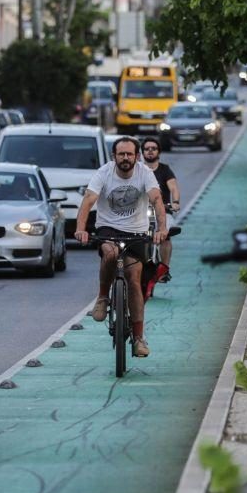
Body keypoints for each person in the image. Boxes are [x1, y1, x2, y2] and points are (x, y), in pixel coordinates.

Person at [74, 137, 168, 359]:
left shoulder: (145, 173)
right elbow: (88, 200)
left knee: (134, 279)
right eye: (121, 154)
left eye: (129, 154)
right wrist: (81, 229)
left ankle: (138, 338)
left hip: (136, 232)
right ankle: (103, 297)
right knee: (110, 253)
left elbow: (156, 199)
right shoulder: (104, 173)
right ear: (113, 156)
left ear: (137, 156)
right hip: (108, 228)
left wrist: (161, 229)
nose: (125, 158)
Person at [141, 136, 179, 280]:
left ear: (159, 152)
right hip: (141, 212)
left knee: (166, 236)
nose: (150, 151)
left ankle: (164, 269)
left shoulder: (165, 169)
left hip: (163, 211)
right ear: (142, 152)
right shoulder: (138, 170)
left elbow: (173, 187)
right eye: (147, 149)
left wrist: (175, 202)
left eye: (153, 149)